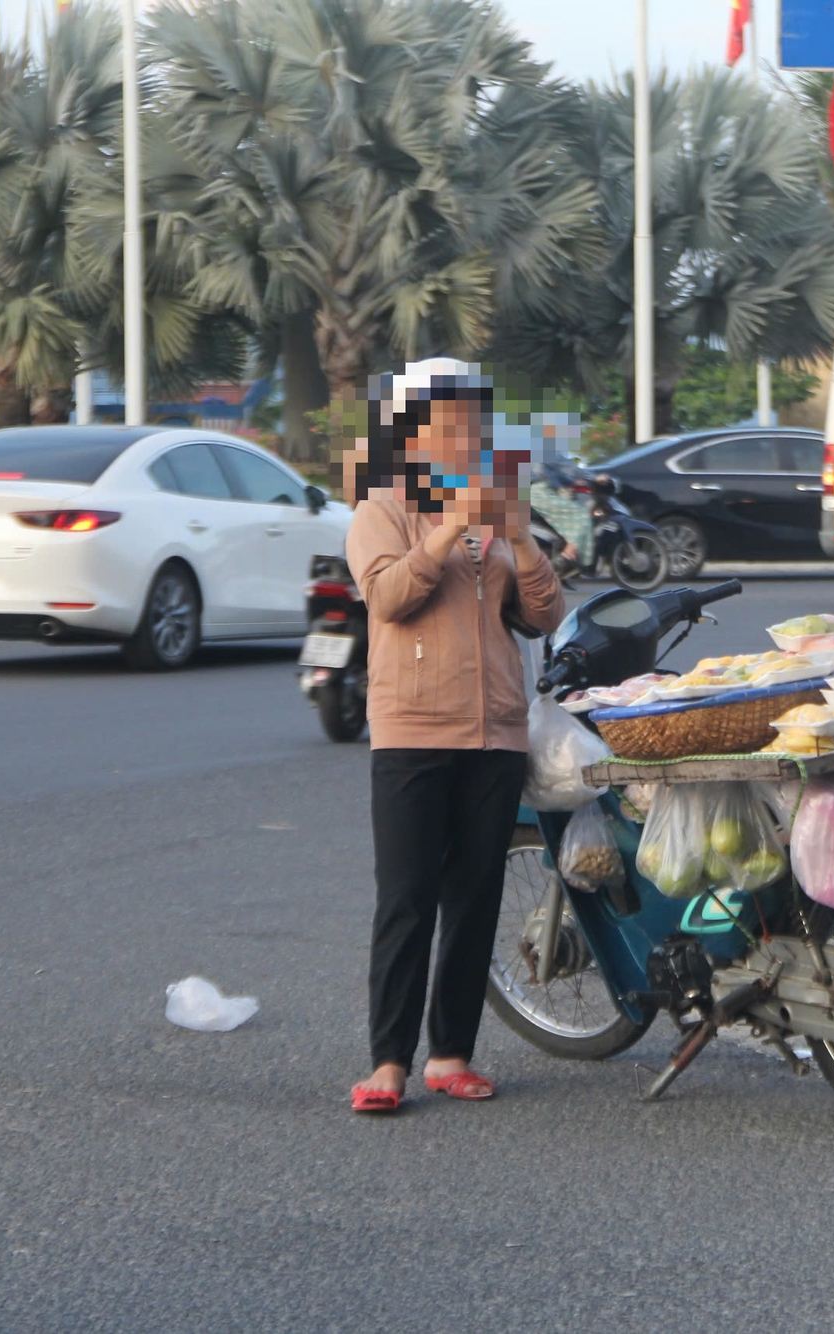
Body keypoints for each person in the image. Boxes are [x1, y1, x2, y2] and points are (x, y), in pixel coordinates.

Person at [341, 359, 565, 1113]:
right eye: (444, 420)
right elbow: (387, 597)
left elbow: (545, 616)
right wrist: (445, 536)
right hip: (412, 728)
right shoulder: (385, 507)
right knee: (406, 897)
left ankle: (450, 1054)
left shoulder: (498, 510)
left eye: (471, 420)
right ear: (412, 432)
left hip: (496, 730)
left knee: (475, 897)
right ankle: (388, 1062)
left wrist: (521, 540)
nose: (460, 432)